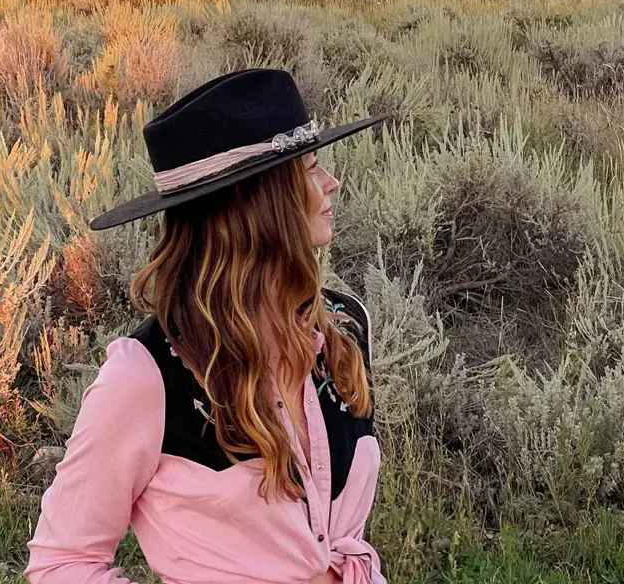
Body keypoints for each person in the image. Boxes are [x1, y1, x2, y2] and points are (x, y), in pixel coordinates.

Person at [25, 68, 386, 584]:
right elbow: (61, 564)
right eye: (307, 169)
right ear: (255, 204)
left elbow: (339, 540)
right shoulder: (147, 377)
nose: (331, 182)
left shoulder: (335, 339)